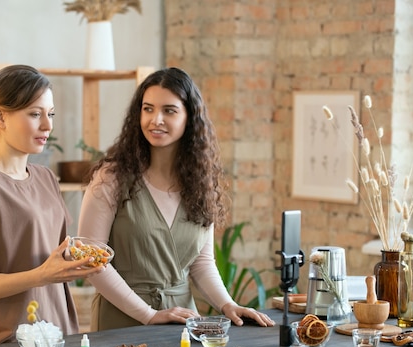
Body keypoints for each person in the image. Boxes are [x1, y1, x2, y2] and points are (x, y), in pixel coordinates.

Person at [77, 67, 275, 331]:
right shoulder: (111, 178)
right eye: (147, 109)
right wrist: (148, 314)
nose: (155, 119)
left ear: (189, 118)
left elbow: (202, 263)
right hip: (122, 320)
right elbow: (91, 262)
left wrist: (228, 305)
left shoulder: (200, 183)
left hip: (182, 322)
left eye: (169, 111)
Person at [0, 64, 102, 346]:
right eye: (35, 114)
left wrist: (81, 260)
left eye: (51, 114)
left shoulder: (45, 177)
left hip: (59, 335)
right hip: (10, 344)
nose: (48, 125)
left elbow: (48, 253)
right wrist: (41, 275)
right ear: (0, 117)